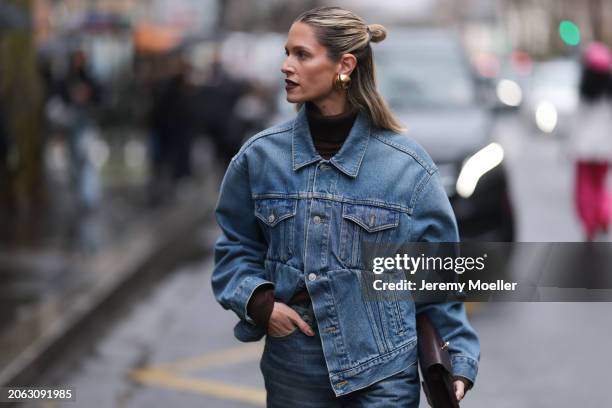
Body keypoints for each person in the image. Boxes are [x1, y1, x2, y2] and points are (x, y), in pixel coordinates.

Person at [212, 6, 479, 407]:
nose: (285, 66)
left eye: (301, 55)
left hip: (386, 367)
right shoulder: (259, 158)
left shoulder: (407, 167)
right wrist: (262, 305)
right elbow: (234, 248)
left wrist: (457, 357)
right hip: (294, 367)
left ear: (345, 65)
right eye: (287, 52)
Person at [569, 42, 612, 241]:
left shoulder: (583, 94)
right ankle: (603, 216)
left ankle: (590, 222)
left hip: (585, 150)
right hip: (604, 150)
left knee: (585, 189)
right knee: (600, 186)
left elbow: (576, 123)